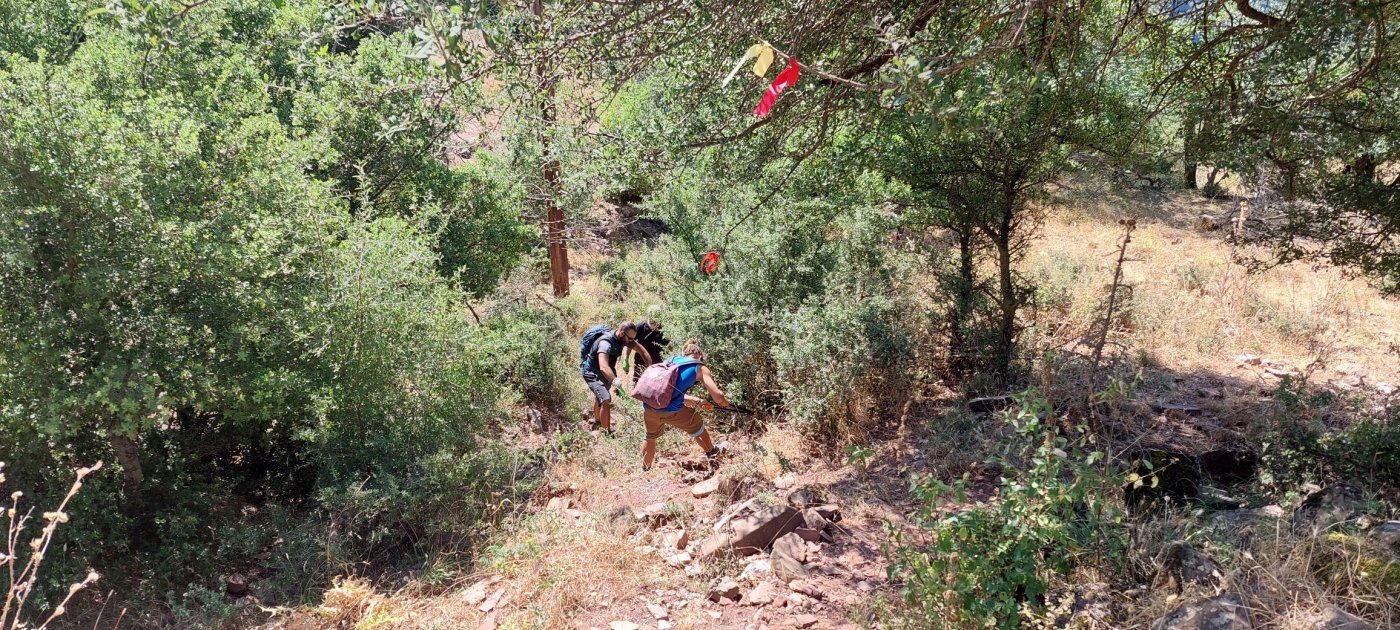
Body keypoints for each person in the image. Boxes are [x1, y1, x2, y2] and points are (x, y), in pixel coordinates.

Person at [641, 339, 729, 471]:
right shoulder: (699, 367)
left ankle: (645, 469)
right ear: (700, 354)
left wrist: (698, 401)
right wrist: (724, 403)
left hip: (649, 406)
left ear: (684, 353)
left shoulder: (671, 360)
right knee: (697, 424)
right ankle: (713, 455)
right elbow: (717, 396)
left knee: (650, 436)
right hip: (670, 410)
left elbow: (667, 394)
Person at [582, 321, 652, 435]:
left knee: (600, 395)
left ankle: (598, 421)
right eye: (630, 338)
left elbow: (641, 350)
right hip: (592, 372)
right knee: (605, 399)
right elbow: (603, 366)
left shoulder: (625, 339)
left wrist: (650, 367)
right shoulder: (605, 343)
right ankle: (607, 432)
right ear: (621, 333)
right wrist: (615, 381)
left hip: (605, 371)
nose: (631, 341)